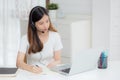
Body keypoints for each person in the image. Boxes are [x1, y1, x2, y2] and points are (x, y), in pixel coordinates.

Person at [16, 6, 63, 74]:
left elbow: (58, 60)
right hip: (32, 74)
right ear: (33, 24)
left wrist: (51, 65)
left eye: (47, 21)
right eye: (41, 23)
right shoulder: (25, 39)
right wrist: (30, 68)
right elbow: (18, 62)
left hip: (50, 72)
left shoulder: (55, 36)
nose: (45, 26)